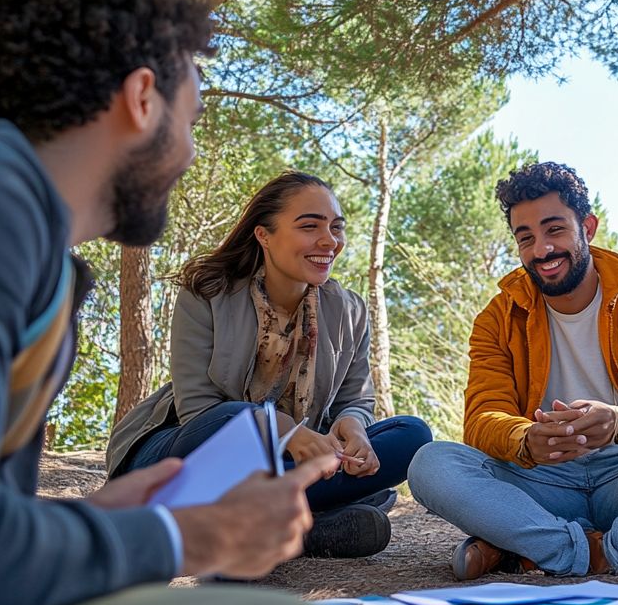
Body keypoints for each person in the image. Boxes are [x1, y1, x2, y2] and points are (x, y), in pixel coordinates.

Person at [0, 0, 363, 605]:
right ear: (141, 101)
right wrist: (183, 539)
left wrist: (101, 520)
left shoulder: (27, 238)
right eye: (191, 120)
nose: (191, 152)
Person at [407, 161, 618, 579]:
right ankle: (606, 549)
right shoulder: (496, 318)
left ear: (588, 226)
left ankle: (532, 548)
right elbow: (482, 420)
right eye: (525, 238)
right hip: (542, 480)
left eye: (554, 230)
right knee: (431, 463)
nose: (541, 250)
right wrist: (525, 438)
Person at [107, 171, 432, 558]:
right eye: (310, 226)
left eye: (336, 227)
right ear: (264, 235)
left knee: (412, 435)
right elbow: (198, 410)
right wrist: (285, 432)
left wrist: (353, 431)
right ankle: (310, 517)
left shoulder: (349, 310)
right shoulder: (208, 292)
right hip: (186, 454)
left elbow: (355, 399)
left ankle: (273, 531)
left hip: (286, 461)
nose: (329, 241)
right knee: (228, 422)